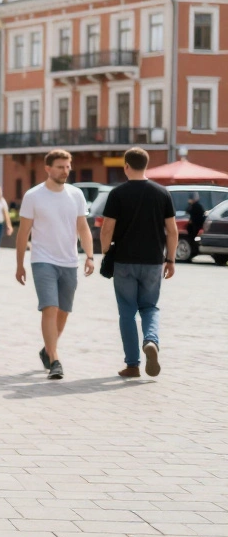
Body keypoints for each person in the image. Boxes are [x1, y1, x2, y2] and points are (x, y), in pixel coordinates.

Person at [15, 149, 94, 381]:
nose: (65, 171)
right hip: (42, 260)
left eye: (68, 166)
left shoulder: (76, 195)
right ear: (48, 168)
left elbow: (83, 228)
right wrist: (19, 264)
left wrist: (89, 255)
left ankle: (47, 349)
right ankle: (55, 360)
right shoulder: (33, 196)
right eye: (60, 166)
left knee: (63, 311)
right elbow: (23, 233)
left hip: (69, 261)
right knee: (49, 307)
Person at [100, 148, 176, 378]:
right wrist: (170, 259)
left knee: (127, 311)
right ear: (146, 165)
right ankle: (151, 341)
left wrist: (106, 253)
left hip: (124, 261)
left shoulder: (117, 194)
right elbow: (172, 231)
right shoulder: (162, 193)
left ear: (126, 166)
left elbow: (107, 229)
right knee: (150, 307)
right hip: (153, 261)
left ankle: (132, 364)